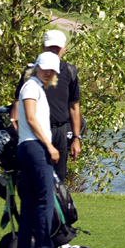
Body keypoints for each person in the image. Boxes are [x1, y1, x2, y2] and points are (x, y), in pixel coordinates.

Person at [15, 51, 69, 248]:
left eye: (52, 70)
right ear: (37, 66)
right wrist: (49, 146)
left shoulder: (36, 88)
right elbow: (29, 118)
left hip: (28, 148)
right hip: (34, 147)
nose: (48, 73)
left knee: (29, 202)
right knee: (44, 201)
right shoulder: (31, 87)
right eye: (45, 68)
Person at [11, 30, 82, 183]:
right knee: (35, 179)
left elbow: (74, 106)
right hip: (35, 131)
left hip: (60, 131)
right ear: (43, 47)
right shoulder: (33, 72)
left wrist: (76, 138)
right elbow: (18, 102)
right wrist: (15, 127)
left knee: (59, 179)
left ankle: (53, 207)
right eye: (51, 47)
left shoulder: (70, 71)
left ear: (64, 48)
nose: (54, 51)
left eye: (58, 48)